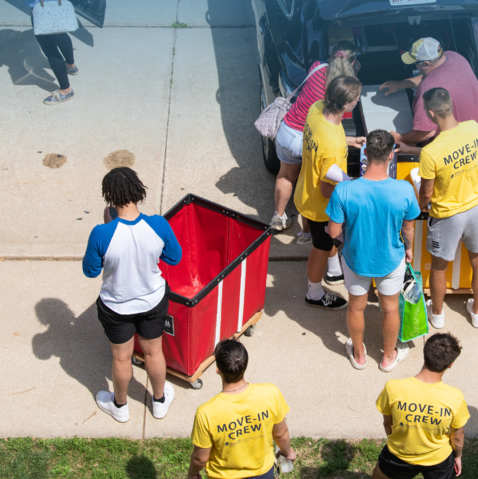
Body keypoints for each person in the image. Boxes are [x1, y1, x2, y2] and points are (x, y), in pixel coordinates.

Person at [83, 167, 182, 422]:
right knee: (153, 353)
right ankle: (159, 401)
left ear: (110, 198)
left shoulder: (101, 233)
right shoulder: (158, 224)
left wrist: (108, 227)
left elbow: (91, 271)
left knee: (121, 356)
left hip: (116, 307)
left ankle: (120, 406)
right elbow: (175, 257)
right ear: (138, 191)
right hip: (152, 301)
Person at [327, 130, 421, 372]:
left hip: (355, 259)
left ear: (365, 152)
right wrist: (408, 250)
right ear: (391, 155)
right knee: (390, 308)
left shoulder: (343, 191)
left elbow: (333, 231)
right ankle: (388, 357)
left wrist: (348, 242)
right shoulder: (405, 190)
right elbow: (408, 229)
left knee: (356, 307)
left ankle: (358, 354)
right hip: (391, 260)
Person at [417, 88, 478, 329]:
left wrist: (418, 208)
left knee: (439, 267)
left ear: (430, 113)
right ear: (450, 105)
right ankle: (477, 312)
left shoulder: (430, 152)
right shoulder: (473, 127)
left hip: (448, 214)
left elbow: (426, 193)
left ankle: (437, 315)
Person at [270, 43, 362, 232]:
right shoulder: (339, 92)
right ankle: (306, 232)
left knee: (286, 176)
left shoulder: (317, 66)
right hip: (305, 138)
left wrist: (351, 141)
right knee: (310, 184)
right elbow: (328, 137)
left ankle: (278, 216)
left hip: (287, 130)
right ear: (353, 63)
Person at [294, 76, 363, 310]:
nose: (357, 102)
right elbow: (326, 188)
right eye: (355, 99)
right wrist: (353, 185)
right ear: (344, 104)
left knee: (328, 240)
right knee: (321, 246)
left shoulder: (316, 108)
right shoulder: (332, 146)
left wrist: (348, 141)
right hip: (320, 205)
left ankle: (334, 271)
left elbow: (324, 141)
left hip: (305, 189)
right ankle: (314, 293)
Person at [189, 340, 295, 479]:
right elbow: (281, 434)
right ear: (245, 365)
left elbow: (200, 459)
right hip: (263, 473)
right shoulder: (270, 393)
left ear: (218, 369)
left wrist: (192, 474)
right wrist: (288, 452)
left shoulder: (206, 412)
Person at [372, 333, 468, 479]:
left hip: (399, 454)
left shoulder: (393, 388)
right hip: (439, 458)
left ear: (425, 354)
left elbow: (388, 423)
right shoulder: (455, 397)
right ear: (451, 364)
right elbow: (457, 436)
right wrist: (458, 456)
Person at [380, 37, 478, 156]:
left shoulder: (428, 88)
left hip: (464, 150)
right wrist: (401, 84)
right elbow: (430, 76)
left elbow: (426, 132)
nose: (415, 66)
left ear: (426, 64)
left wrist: (400, 138)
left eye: (416, 63)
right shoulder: (454, 56)